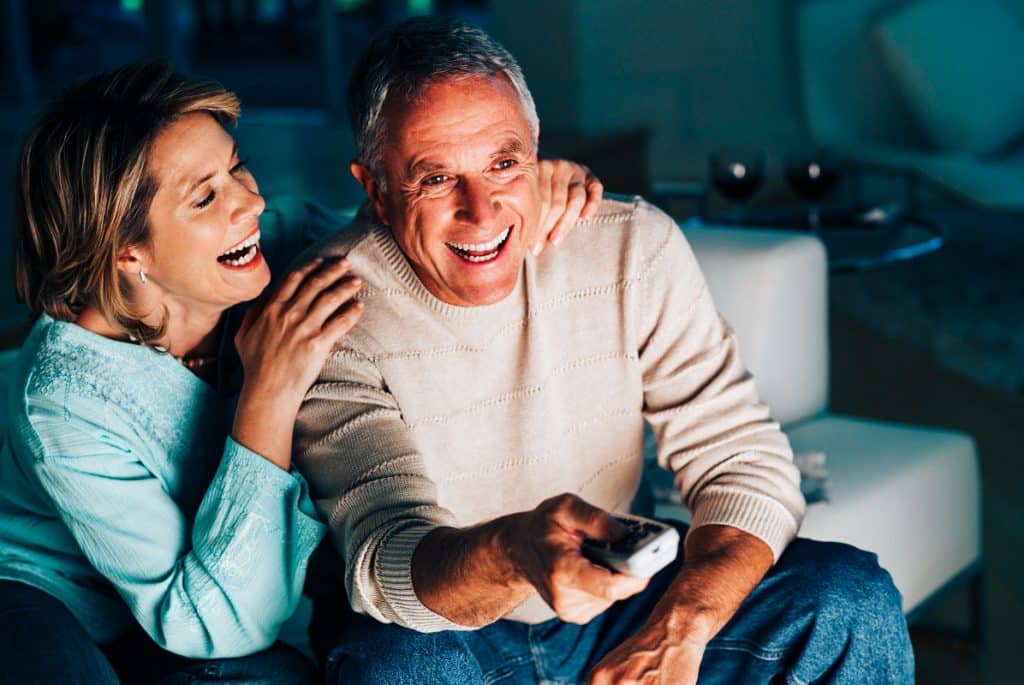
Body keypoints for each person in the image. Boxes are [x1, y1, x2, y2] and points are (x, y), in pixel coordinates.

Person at [293, 17, 916, 685]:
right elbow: (383, 554)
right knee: (397, 663)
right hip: (448, 633)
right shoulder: (329, 309)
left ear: (537, 152)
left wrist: (681, 629)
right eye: (436, 178)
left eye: (504, 163)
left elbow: (744, 460)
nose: (482, 209)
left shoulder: (629, 246)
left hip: (621, 607)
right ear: (375, 188)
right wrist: (513, 551)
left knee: (853, 598)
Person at [0, 62, 602, 685]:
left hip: (203, 598)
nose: (251, 202)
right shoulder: (63, 403)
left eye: (236, 166)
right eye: (205, 196)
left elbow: (401, 218)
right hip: (55, 592)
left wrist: (527, 184)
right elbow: (219, 629)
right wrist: (270, 387)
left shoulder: (275, 243)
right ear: (126, 248)